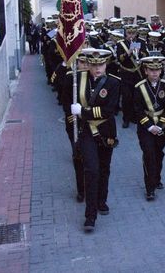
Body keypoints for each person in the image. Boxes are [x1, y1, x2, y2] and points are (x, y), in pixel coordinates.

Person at [69, 48, 121, 232]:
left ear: (106, 64)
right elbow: (65, 92)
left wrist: (82, 112)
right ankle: (90, 215)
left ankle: (101, 200)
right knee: (91, 169)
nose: (97, 68)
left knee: (104, 168)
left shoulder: (114, 83)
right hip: (86, 132)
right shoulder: (78, 79)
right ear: (88, 64)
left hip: (106, 130)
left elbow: (109, 110)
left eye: (100, 64)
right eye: (93, 64)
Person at [133, 56, 165, 201]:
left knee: (158, 154)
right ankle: (150, 188)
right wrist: (150, 126)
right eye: (151, 70)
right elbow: (137, 110)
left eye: (158, 69)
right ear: (145, 71)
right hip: (146, 127)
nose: (155, 73)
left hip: (162, 127)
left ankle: (157, 178)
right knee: (149, 154)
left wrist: (161, 125)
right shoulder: (139, 88)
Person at [58, 50, 90, 203]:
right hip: (75, 123)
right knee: (78, 156)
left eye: (87, 63)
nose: (85, 66)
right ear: (77, 63)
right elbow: (65, 101)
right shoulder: (71, 78)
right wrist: (73, 118)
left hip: (90, 124)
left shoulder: (93, 80)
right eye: (82, 63)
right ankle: (81, 190)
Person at [117, 24, 147, 128]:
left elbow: (146, 56)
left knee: (137, 97)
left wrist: (140, 53)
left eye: (133, 33)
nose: (131, 35)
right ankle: (126, 118)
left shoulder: (141, 42)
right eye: (129, 33)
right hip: (126, 74)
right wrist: (128, 52)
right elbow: (119, 59)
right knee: (126, 97)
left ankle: (135, 117)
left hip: (138, 73)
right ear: (126, 33)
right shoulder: (121, 44)